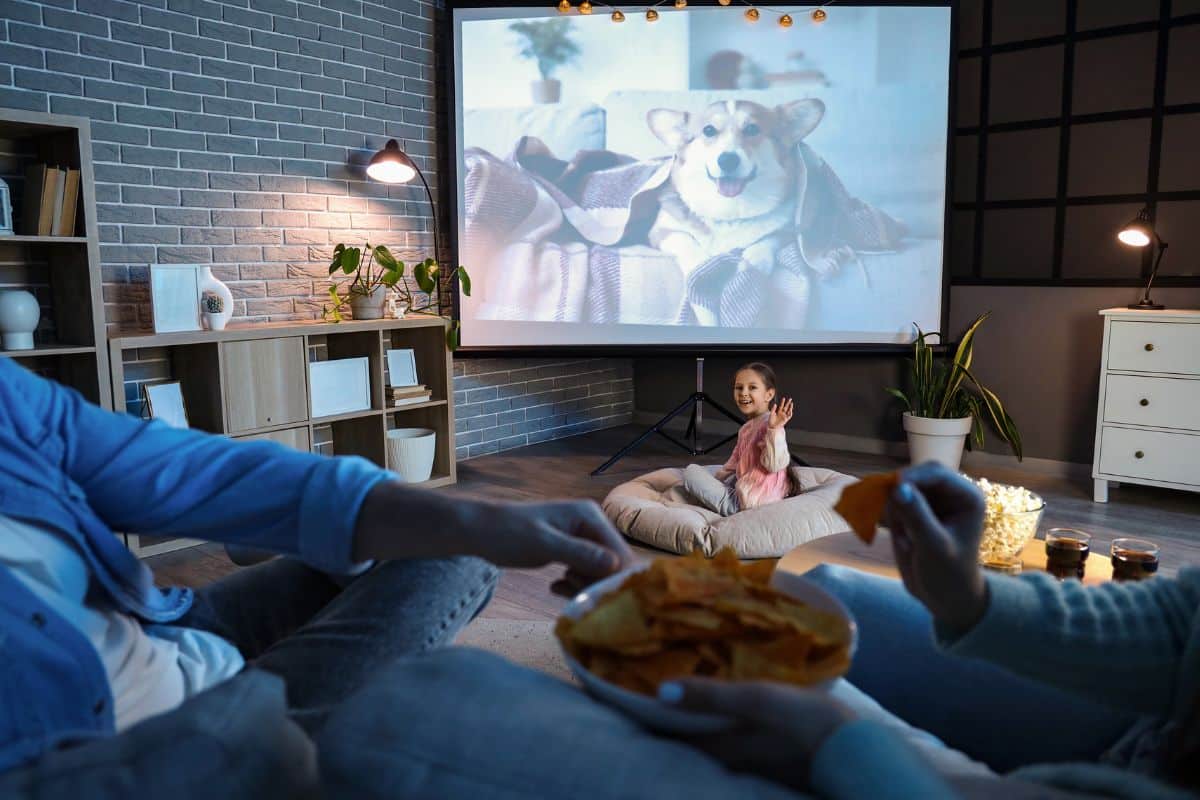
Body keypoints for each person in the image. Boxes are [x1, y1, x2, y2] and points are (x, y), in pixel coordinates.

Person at [314, 463, 1199, 800]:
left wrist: (844, 744)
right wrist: (970, 600)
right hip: (1154, 730)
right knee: (836, 592)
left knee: (420, 704)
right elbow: (1177, 622)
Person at [0, 357, 634, 798]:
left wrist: (483, 520)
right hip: (140, 748)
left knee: (455, 545)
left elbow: (191, 470)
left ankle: (303, 563)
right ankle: (301, 750)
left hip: (164, 626)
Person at [683, 362, 794, 517]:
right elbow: (732, 465)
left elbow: (774, 465)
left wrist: (774, 430)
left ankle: (715, 503)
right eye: (739, 388)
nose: (743, 393)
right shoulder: (746, 428)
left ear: (769, 395)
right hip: (744, 487)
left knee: (690, 471)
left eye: (752, 387)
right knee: (710, 471)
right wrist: (715, 480)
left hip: (748, 503)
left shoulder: (771, 424)